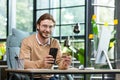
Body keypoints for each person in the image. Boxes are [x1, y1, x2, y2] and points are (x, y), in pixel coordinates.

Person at [19, 13, 72, 80]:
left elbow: (60, 63)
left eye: (50, 27)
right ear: (38, 26)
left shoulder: (55, 43)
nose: (47, 30)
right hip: (33, 77)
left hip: (50, 78)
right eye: (44, 26)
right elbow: (23, 64)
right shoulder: (27, 41)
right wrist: (42, 63)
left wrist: (65, 64)